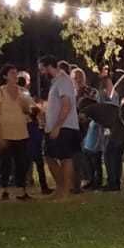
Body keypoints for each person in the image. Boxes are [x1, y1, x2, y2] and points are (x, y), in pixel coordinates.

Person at [0, 65, 33, 200]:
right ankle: (5, 189)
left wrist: (25, 105)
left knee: (22, 162)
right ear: (5, 76)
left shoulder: (23, 92)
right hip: (5, 132)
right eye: (12, 73)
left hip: (20, 131)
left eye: (16, 72)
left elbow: (28, 110)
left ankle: (22, 189)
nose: (15, 75)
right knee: (5, 163)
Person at [40, 59, 81, 199]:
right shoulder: (56, 83)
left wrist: (58, 126)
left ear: (49, 66)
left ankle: (64, 190)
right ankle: (61, 187)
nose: (41, 73)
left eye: (42, 69)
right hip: (54, 126)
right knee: (49, 156)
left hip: (64, 126)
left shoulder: (63, 81)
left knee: (65, 157)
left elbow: (66, 104)